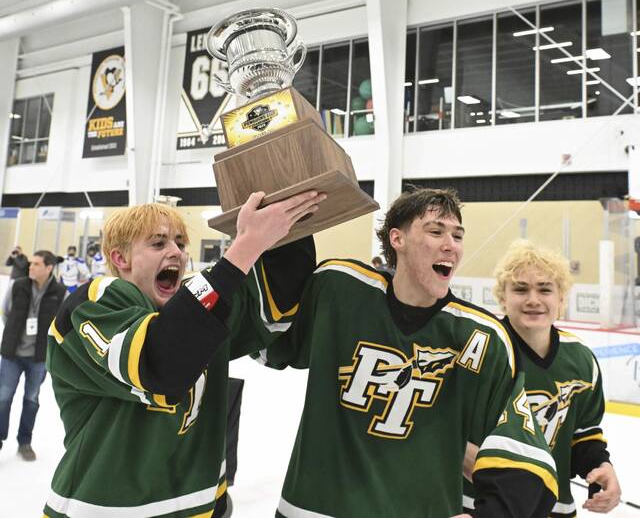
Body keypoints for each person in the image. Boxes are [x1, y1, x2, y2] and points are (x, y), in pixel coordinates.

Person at [256, 188, 558, 518]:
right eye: (435, 231)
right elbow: (274, 342)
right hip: (313, 510)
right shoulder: (339, 288)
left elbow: (526, 454)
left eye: (457, 235)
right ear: (397, 239)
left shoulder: (481, 337)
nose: (451, 245)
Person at [43, 190, 324, 518]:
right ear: (120, 258)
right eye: (158, 243)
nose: (176, 252)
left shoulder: (195, 305)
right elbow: (162, 365)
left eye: (180, 243)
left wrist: (287, 212)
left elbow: (277, 296)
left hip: (197, 506)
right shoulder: (94, 304)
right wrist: (245, 247)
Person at [463, 240, 621, 517]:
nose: (533, 299)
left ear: (561, 299)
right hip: (478, 506)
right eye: (520, 289)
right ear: (502, 297)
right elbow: (443, 427)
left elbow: (583, 435)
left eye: (545, 289)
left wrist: (601, 467)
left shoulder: (581, 360)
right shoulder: (480, 352)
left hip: (553, 508)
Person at [0, 250, 67, 460]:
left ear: (49, 268)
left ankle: (25, 442)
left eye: (36, 264)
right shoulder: (18, 285)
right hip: (12, 354)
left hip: (39, 358)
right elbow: (5, 311)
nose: (31, 267)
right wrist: (12, 334)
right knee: (3, 397)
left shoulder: (60, 292)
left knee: (31, 399)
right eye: (31, 263)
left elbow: (64, 323)